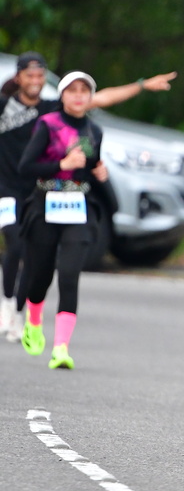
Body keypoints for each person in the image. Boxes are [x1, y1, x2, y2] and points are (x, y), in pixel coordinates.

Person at [0, 52, 177, 342]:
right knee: (15, 244)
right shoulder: (4, 105)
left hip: (37, 189)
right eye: (29, 75)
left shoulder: (51, 109)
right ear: (18, 77)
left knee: (33, 258)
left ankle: (19, 313)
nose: (35, 81)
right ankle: (7, 304)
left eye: (40, 75)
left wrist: (142, 85)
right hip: (6, 188)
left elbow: (102, 98)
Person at [17, 72, 112, 369]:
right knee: (41, 275)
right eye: (73, 90)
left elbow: (92, 166)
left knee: (69, 275)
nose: (79, 95)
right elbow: (26, 167)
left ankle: (61, 348)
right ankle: (33, 319)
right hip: (45, 205)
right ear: (62, 95)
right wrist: (61, 164)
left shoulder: (95, 131)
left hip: (78, 208)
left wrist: (100, 173)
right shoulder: (48, 124)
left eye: (84, 90)